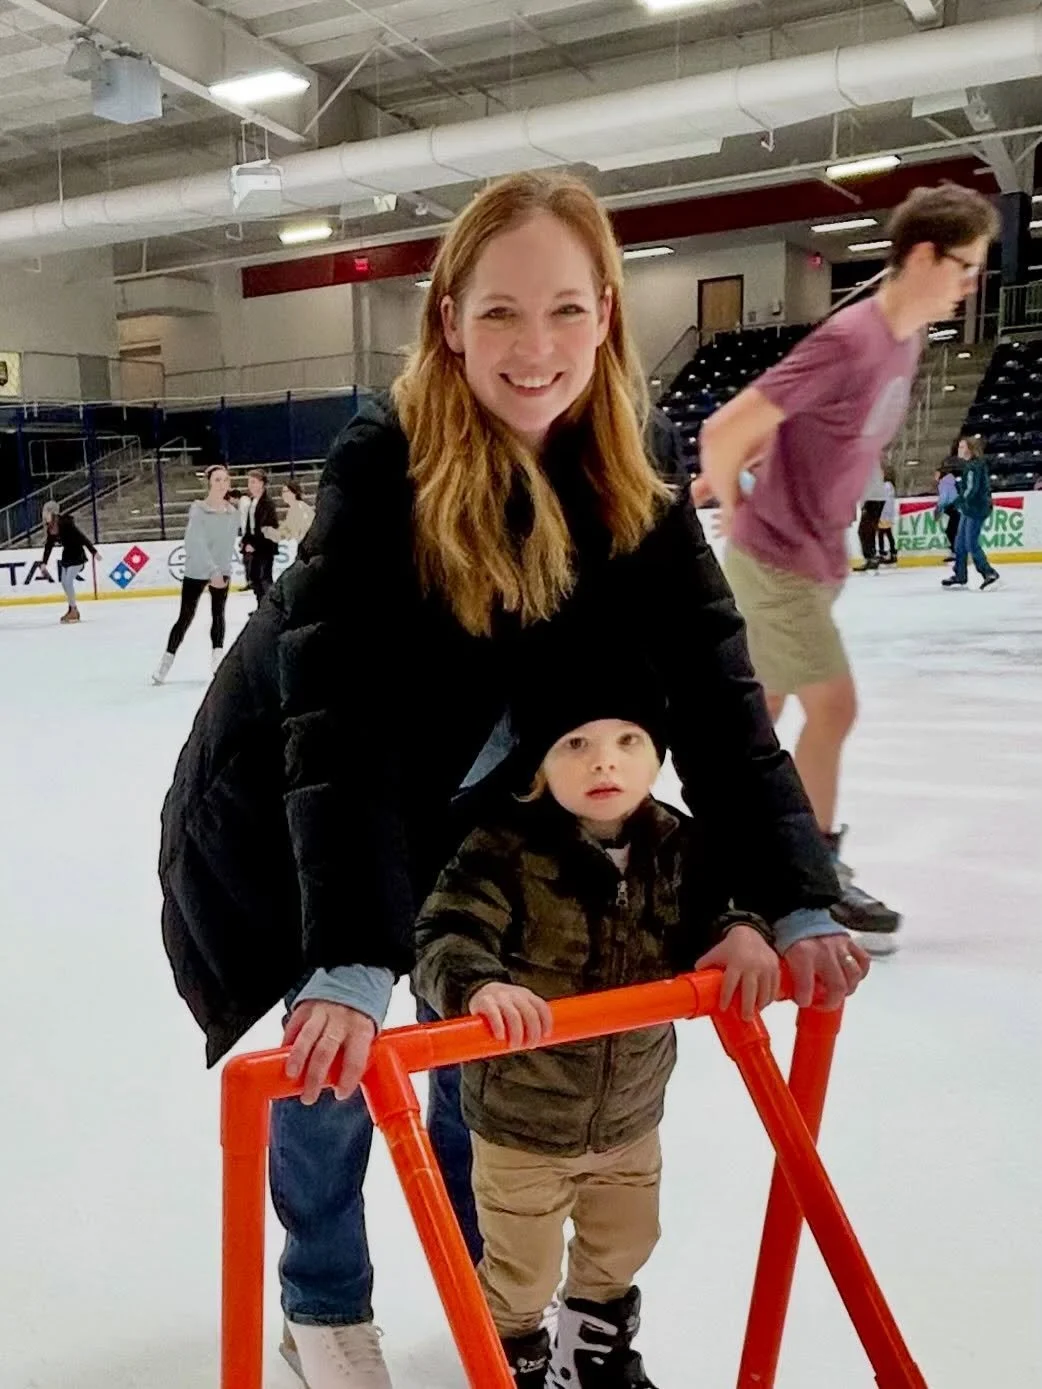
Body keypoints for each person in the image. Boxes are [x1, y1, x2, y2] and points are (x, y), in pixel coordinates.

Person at [159, 172, 865, 1389]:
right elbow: (341, 728)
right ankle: (323, 1299)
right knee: (336, 1058)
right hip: (296, 805)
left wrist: (790, 889)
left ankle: (501, 1289)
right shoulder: (384, 464)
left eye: (564, 312)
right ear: (448, 320)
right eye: (497, 313)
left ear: (606, 316)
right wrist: (348, 955)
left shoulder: (625, 468)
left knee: (473, 1042)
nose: (533, 350)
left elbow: (713, 692)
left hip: (476, 811)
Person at [414, 673, 816, 1389]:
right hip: (523, 1119)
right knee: (519, 1269)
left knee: (624, 1244)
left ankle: (592, 1357)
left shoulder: (679, 842)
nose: (606, 762)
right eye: (578, 744)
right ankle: (509, 1363)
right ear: (538, 763)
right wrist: (481, 982)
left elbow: (720, 908)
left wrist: (742, 931)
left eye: (629, 741)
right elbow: (445, 930)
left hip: (631, 1111)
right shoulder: (502, 849)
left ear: (657, 755)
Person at [699, 182, 999, 951]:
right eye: (965, 265)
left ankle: (729, 866)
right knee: (832, 709)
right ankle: (814, 875)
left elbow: (800, 428)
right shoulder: (854, 336)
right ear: (925, 256)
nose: (973, 282)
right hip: (778, 562)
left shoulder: (903, 342)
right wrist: (741, 513)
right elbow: (726, 429)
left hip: (813, 561)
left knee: (753, 724)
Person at [152, 465, 239, 684]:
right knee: (185, 617)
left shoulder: (233, 513)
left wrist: (222, 570)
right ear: (209, 482)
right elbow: (195, 542)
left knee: (218, 615)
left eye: (225, 480)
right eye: (217, 480)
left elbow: (227, 545)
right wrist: (212, 570)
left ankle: (217, 659)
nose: (222, 484)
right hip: (197, 570)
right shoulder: (198, 509)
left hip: (221, 571)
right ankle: (166, 662)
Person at [942, 435, 999, 590]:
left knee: (971, 543)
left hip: (977, 509)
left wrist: (958, 502)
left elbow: (971, 489)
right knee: (960, 543)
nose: (959, 450)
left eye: (962, 447)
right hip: (970, 509)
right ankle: (960, 574)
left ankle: (989, 573)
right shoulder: (970, 466)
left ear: (970, 449)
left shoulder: (974, 467)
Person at [39, 500, 102, 624]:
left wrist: (93, 552)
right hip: (67, 556)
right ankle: (72, 609)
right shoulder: (51, 528)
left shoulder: (65, 523)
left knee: (68, 581)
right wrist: (43, 563)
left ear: (52, 513)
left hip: (77, 555)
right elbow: (48, 546)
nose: (43, 515)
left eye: (46, 512)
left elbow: (81, 536)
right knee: (64, 582)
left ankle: (74, 610)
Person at [241, 467, 279, 602]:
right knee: (255, 578)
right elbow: (249, 525)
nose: (250, 485)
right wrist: (246, 541)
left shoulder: (267, 503)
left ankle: (271, 608)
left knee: (265, 578)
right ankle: (262, 607)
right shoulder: (253, 501)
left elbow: (266, 526)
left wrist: (254, 544)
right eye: (249, 482)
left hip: (265, 546)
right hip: (255, 546)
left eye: (253, 482)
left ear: (262, 483)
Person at [264, 478, 316, 544]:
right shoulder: (293, 508)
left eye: (287, 491)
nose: (284, 494)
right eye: (283, 492)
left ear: (295, 493)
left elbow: (297, 533)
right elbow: (284, 530)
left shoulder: (299, 506)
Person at [856, 464, 886, 572]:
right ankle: (871, 557)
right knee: (869, 530)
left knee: (863, 531)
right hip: (879, 498)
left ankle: (871, 557)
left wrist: (863, 504)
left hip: (871, 499)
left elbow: (864, 485)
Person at [934, 462, 961, 558]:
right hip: (956, 509)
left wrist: (938, 509)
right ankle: (955, 551)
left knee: (951, 532)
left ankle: (956, 552)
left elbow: (944, 498)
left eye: (936, 474)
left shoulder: (943, 483)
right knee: (952, 531)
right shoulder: (948, 482)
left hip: (954, 509)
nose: (934, 476)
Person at [877, 469, 898, 565]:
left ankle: (884, 553)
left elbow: (883, 500)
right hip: (886, 513)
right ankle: (892, 553)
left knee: (883, 533)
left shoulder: (885, 486)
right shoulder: (889, 486)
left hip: (884, 513)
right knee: (887, 533)